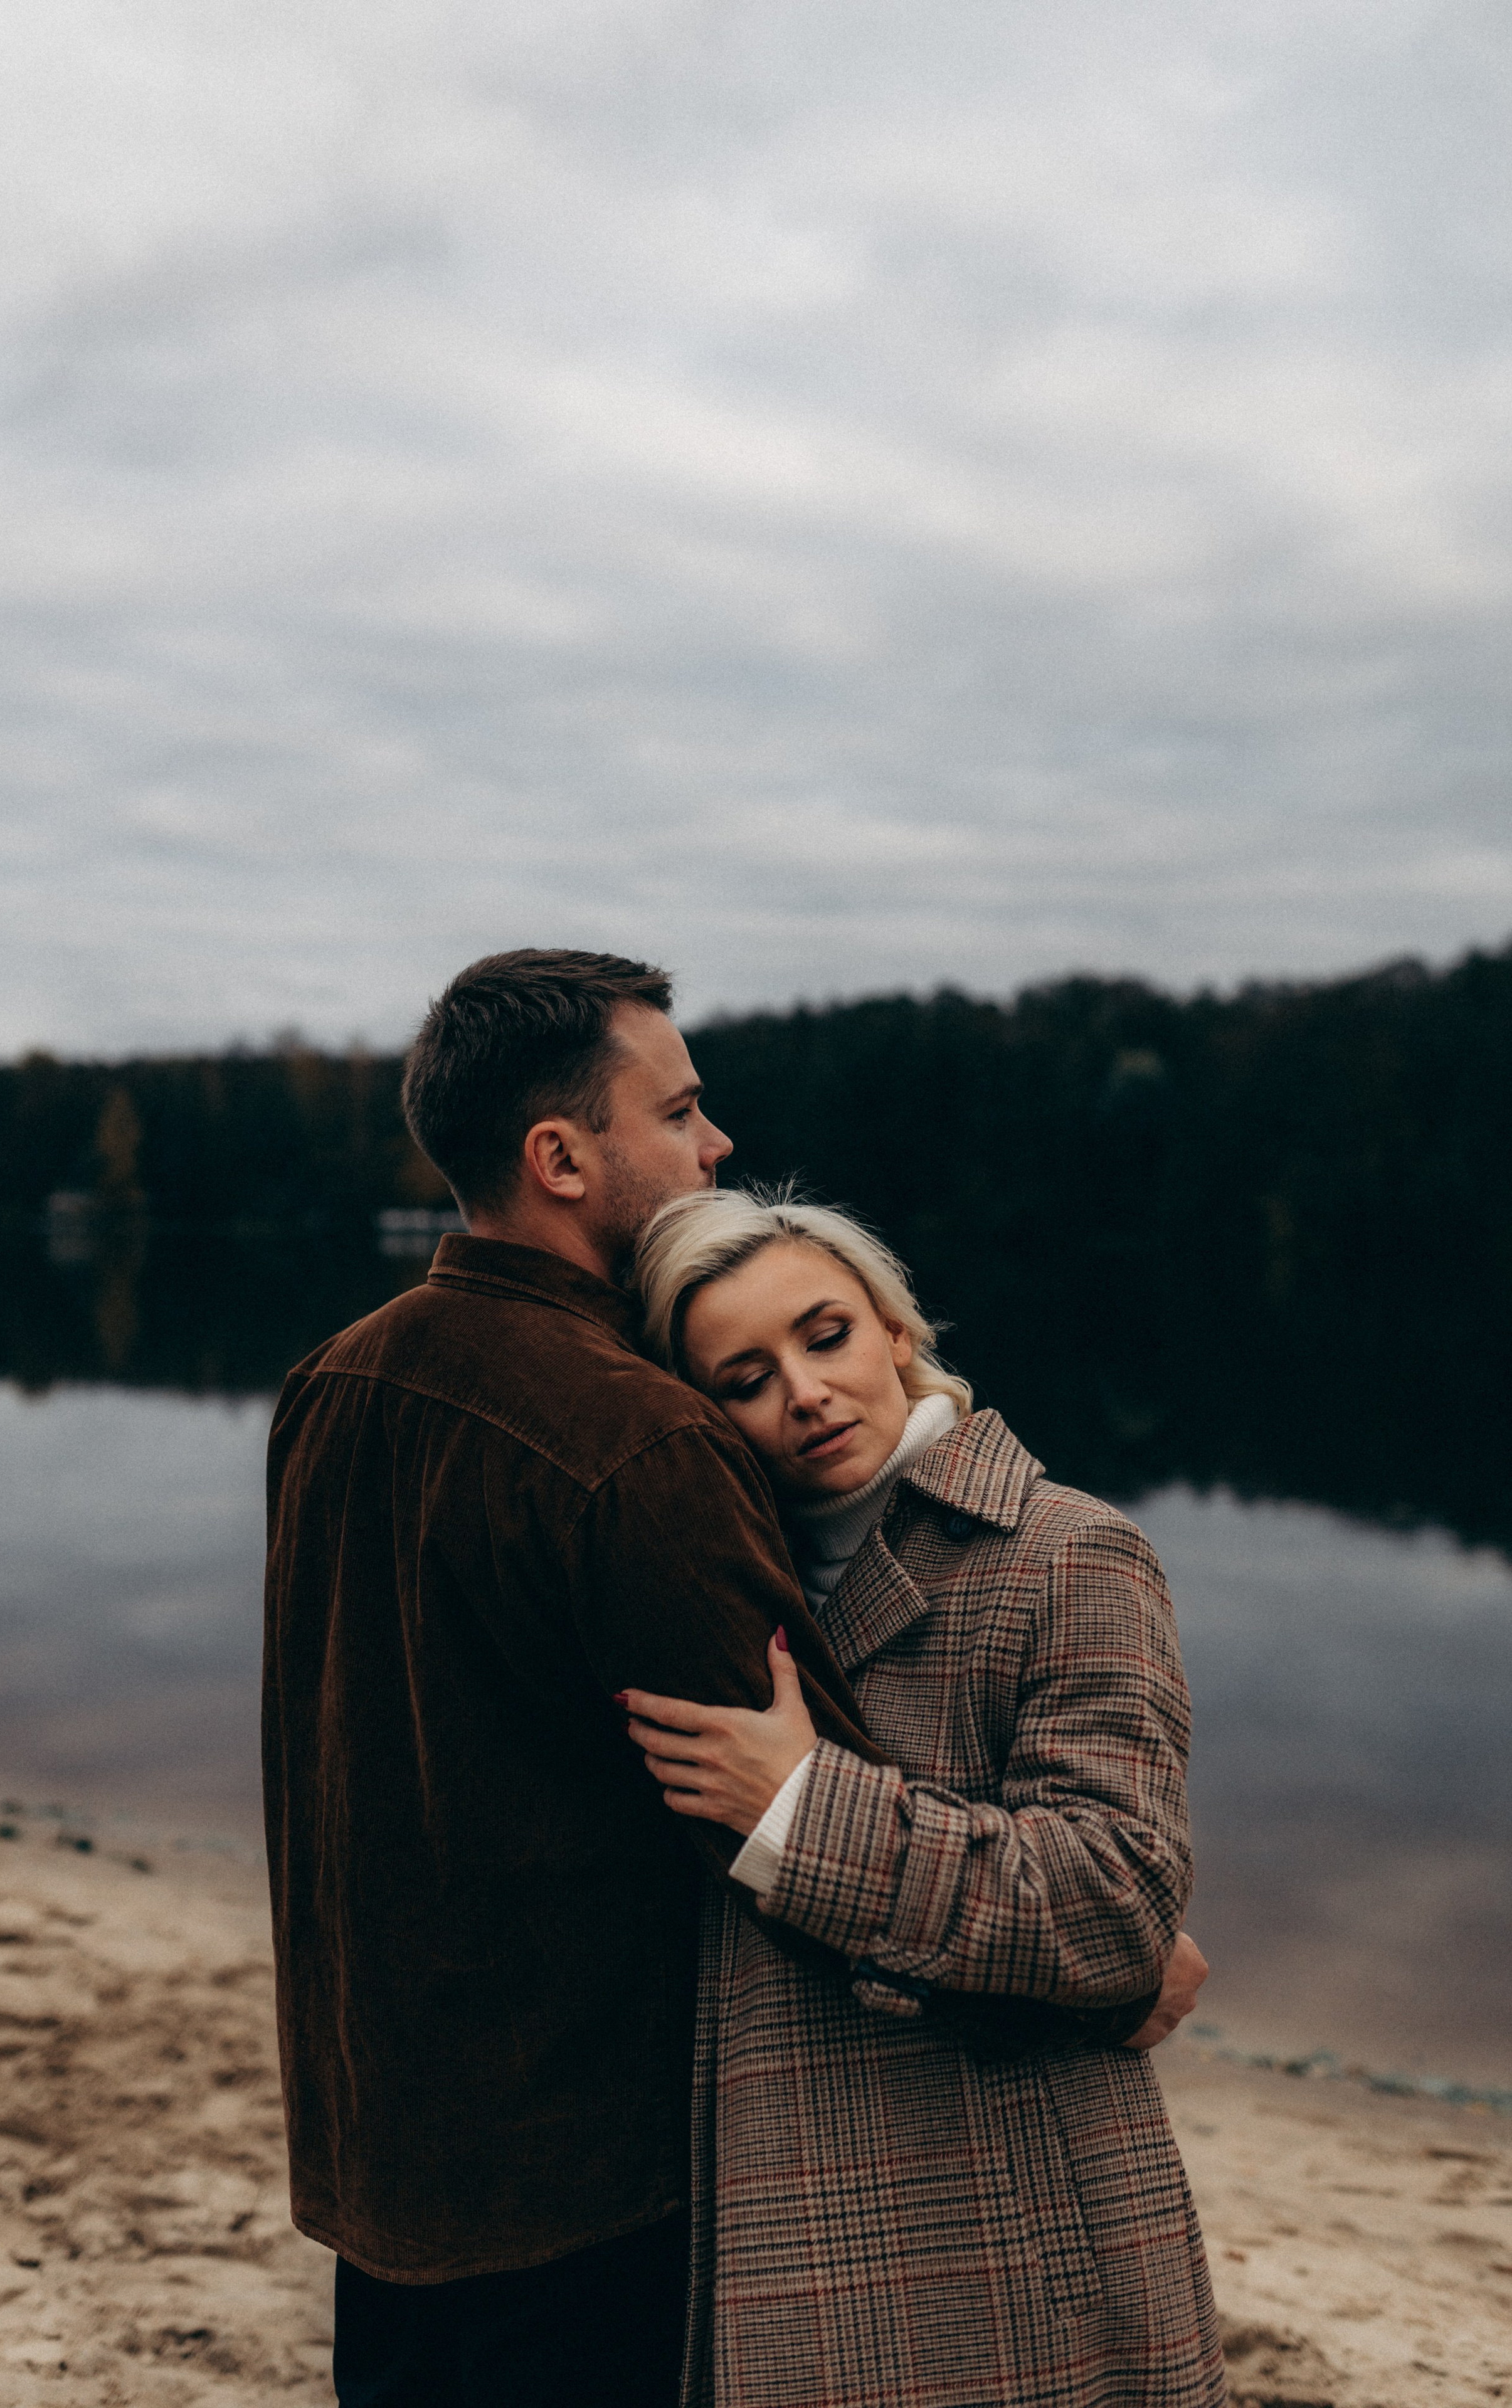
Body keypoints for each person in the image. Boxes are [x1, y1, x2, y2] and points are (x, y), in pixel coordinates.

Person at [263, 948, 1203, 2407]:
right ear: (561, 1155)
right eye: (682, 1110)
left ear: (895, 1334)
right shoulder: (633, 1437)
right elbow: (784, 1805)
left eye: (823, 1340)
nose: (716, 1144)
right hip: (585, 2190)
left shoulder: (331, 1382)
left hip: (378, 2159)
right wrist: (1113, 1978)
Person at [618, 1186, 1225, 2408]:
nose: (801, 1392)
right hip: (775, 2218)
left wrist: (798, 1813)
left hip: (1001, 2222)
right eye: (742, 1378)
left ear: (894, 1330)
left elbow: (1114, 1901)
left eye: (824, 1335)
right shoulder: (712, 1583)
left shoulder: (1066, 1551)